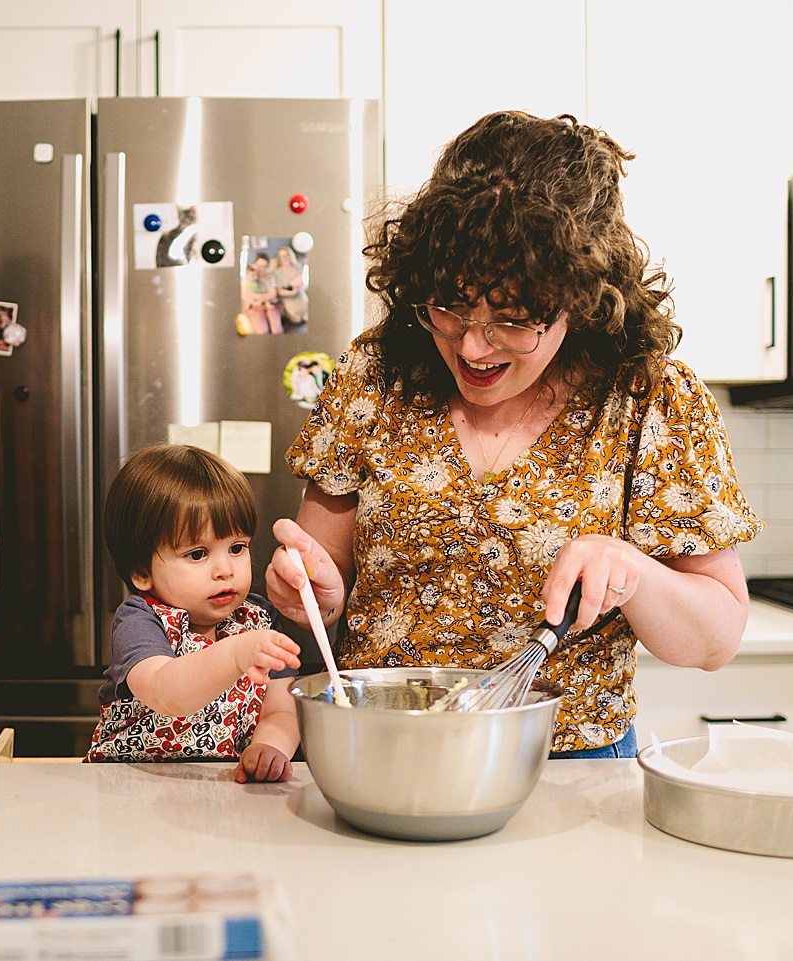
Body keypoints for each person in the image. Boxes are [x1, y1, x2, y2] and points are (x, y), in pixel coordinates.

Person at [266, 111, 762, 759]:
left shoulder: (648, 397)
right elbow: (320, 572)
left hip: (569, 768)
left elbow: (715, 638)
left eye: (513, 318)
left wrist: (634, 571)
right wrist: (314, 591)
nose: (473, 345)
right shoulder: (376, 372)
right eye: (449, 305)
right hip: (385, 750)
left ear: (580, 300)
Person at [86, 444, 301, 782]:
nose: (224, 570)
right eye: (198, 554)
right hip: (131, 791)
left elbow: (282, 707)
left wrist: (270, 747)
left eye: (236, 548)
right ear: (142, 571)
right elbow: (167, 692)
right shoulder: (141, 620)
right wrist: (234, 654)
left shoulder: (260, 620)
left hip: (226, 794)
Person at [240, 252, 282, 334]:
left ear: (267, 267)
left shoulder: (270, 277)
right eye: (259, 266)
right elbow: (245, 295)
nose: (261, 269)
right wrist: (257, 299)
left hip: (271, 304)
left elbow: (273, 294)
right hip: (255, 306)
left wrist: (257, 296)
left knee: (276, 330)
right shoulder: (249, 276)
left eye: (264, 267)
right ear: (255, 264)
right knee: (262, 331)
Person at [274, 246, 308, 327]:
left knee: (307, 315)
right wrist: (292, 292)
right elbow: (279, 291)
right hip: (288, 298)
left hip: (300, 295)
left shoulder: (298, 267)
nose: (285, 258)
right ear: (279, 258)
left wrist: (299, 286)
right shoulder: (277, 273)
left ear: (290, 255)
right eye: (282, 256)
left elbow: (303, 283)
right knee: (296, 318)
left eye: (286, 255)